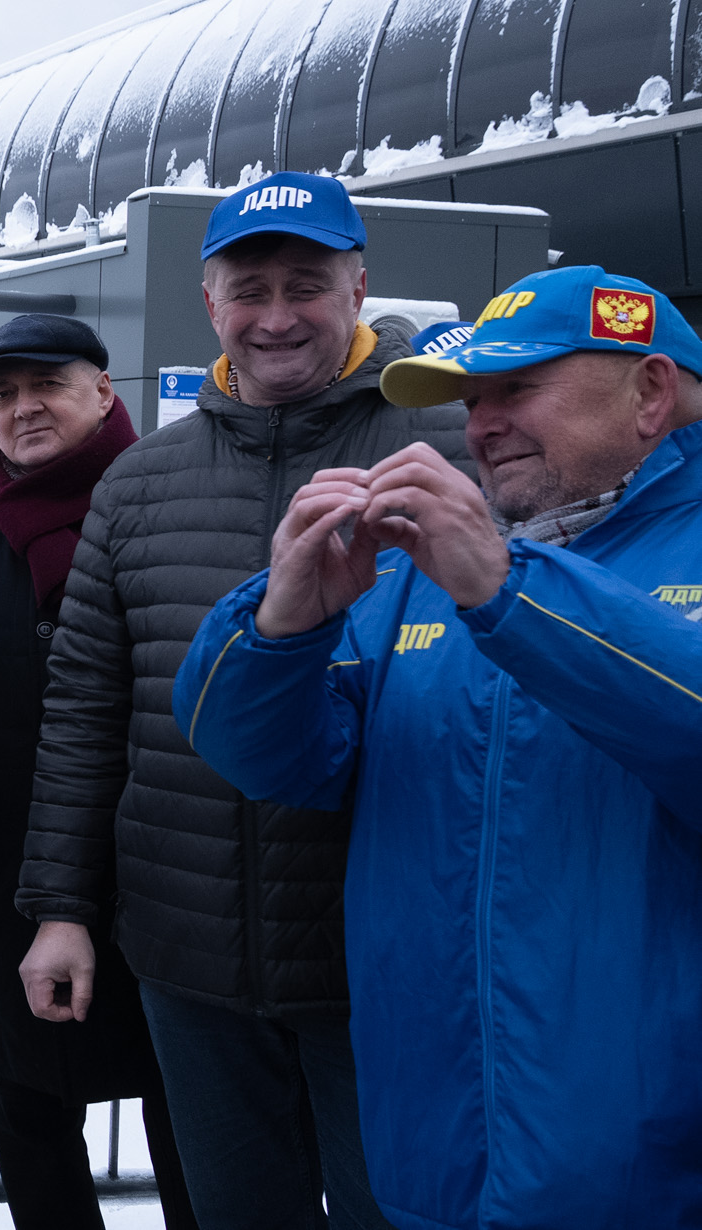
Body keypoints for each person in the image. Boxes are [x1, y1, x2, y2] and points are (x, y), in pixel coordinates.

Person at [175, 266, 702, 1228]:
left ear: (651, 392)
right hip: (433, 1154)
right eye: (470, 400)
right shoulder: (431, 567)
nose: (481, 425)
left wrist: (513, 591)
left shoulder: (488, 566)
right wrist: (279, 629)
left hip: (650, 1172)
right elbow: (273, 762)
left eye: (516, 388)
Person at [15, 172, 464, 1230]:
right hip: (193, 956)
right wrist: (61, 908)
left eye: (305, 285)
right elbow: (84, 708)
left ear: (358, 288)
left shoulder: (442, 453)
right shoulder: (140, 481)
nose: (276, 317)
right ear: (209, 302)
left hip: (386, 958)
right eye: (249, 289)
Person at [0, 314, 195, 1230]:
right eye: (3, 394)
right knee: (29, 1117)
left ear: (102, 393)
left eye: (47, 386)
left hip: (165, 869)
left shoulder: (169, 502)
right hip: (9, 877)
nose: (23, 408)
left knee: (190, 1116)